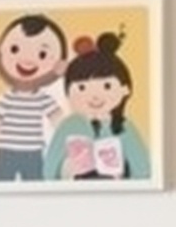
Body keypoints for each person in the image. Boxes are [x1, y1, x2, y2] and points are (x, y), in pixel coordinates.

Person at [44, 33, 151, 183]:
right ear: (68, 93)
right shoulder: (70, 126)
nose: (94, 96)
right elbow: (50, 167)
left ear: (125, 89)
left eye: (107, 86)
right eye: (82, 88)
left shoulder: (124, 127)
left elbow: (142, 169)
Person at [0, 13, 68, 183]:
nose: (27, 60)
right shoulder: (7, 98)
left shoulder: (42, 99)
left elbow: (59, 121)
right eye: (14, 49)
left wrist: (66, 140)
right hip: (6, 150)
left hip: (32, 151)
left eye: (42, 54)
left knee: (35, 183)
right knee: (1, 182)